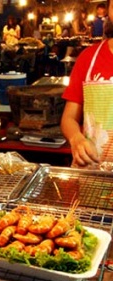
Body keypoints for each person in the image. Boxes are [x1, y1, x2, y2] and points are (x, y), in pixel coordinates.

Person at [60, 0, 113, 168]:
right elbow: (68, 118)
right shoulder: (88, 58)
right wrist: (76, 139)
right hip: (93, 173)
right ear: (109, 10)